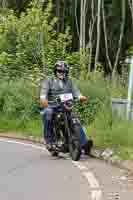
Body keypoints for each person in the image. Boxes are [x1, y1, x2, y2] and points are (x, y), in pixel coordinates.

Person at [40, 60, 93, 154]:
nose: (61, 73)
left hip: (66, 105)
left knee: (75, 118)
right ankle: (50, 141)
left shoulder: (69, 81)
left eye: (64, 71)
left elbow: (76, 91)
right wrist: (43, 99)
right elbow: (43, 92)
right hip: (52, 106)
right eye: (59, 71)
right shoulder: (48, 80)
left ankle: (84, 143)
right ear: (55, 71)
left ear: (66, 72)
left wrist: (80, 97)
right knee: (48, 113)